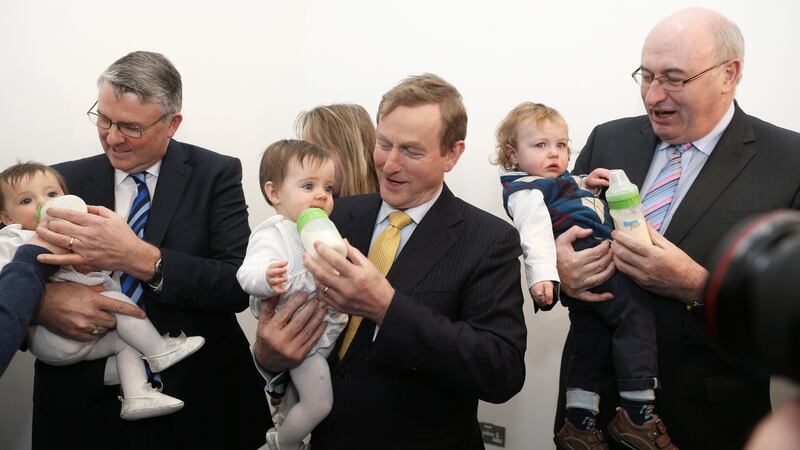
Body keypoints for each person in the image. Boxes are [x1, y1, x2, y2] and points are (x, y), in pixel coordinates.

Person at [553, 8, 800, 450]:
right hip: (589, 417)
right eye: (646, 76)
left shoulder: (789, 162)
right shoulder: (608, 139)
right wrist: (561, 270)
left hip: (704, 422)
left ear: (729, 74)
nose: (653, 96)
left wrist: (694, 285)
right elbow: (559, 231)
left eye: (673, 78)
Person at [254, 73, 527, 449]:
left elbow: (501, 371)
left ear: (452, 154)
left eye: (411, 151)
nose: (389, 164)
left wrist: (386, 307)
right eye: (384, 144)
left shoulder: (488, 239)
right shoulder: (334, 217)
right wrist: (268, 358)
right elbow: (293, 340)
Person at [31, 51, 270, 449]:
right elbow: (10, 267)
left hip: (198, 402)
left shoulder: (215, 174)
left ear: (172, 123)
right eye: (103, 119)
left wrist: (138, 257)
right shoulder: (58, 182)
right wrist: (40, 306)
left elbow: (235, 284)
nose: (112, 137)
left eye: (131, 127)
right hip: (83, 405)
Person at [494, 102, 676, 450]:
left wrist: (586, 184)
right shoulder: (526, 192)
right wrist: (543, 278)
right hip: (593, 259)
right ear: (512, 153)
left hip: (590, 266)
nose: (554, 153)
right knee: (635, 316)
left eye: (561, 145)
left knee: (590, 343)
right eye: (541, 145)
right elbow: (534, 237)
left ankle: (578, 422)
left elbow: (570, 194)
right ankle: (638, 413)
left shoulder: (555, 182)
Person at [0, 162, 205, 420]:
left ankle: (137, 395)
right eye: (26, 200)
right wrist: (40, 302)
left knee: (127, 342)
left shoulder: (76, 230)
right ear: (7, 218)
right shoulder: (12, 239)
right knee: (116, 302)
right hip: (48, 337)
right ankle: (160, 350)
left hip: (86, 346)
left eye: (52, 194)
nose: (44, 203)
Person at [237, 139, 347, 450]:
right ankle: (281, 443)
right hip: (303, 340)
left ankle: (286, 430)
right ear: (274, 193)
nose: (321, 195)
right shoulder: (274, 232)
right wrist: (267, 278)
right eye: (309, 186)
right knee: (319, 403)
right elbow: (245, 274)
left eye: (328, 188)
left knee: (295, 401)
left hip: (325, 332)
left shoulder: (323, 229)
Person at [296, 103, 379, 197]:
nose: (306, 161)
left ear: (354, 155)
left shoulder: (386, 205)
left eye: (319, 151)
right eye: (305, 151)